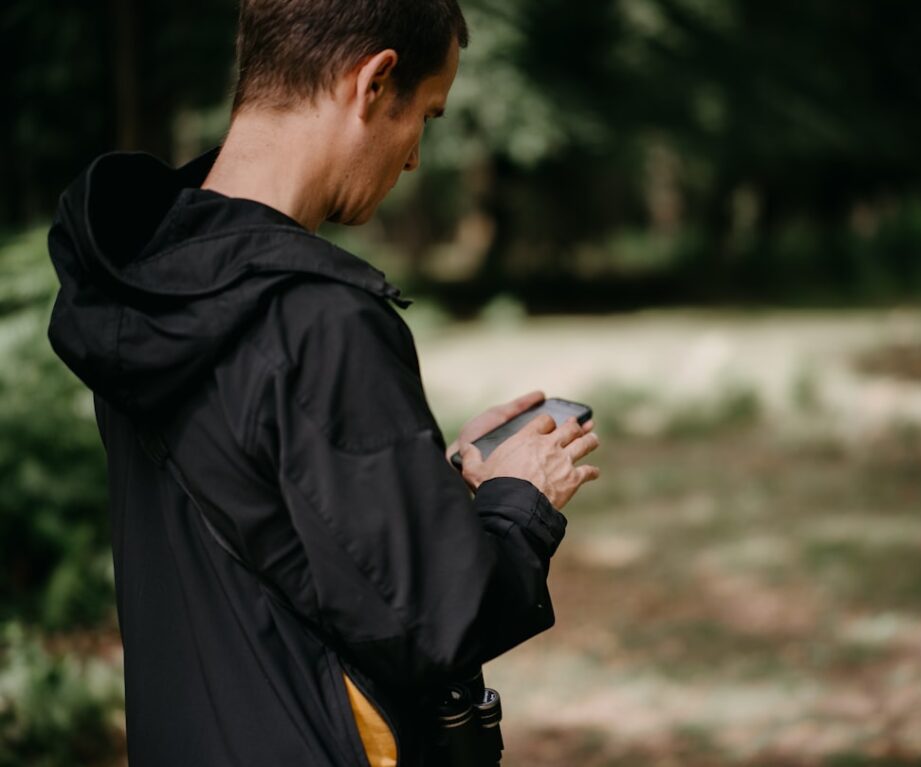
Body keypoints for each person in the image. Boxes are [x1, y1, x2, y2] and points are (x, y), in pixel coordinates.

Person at [45, 0, 601, 765]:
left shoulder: (143, 281)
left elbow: (280, 529)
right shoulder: (319, 318)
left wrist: (423, 486)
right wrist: (520, 499)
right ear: (374, 82)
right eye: (427, 117)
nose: (413, 160)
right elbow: (439, 623)